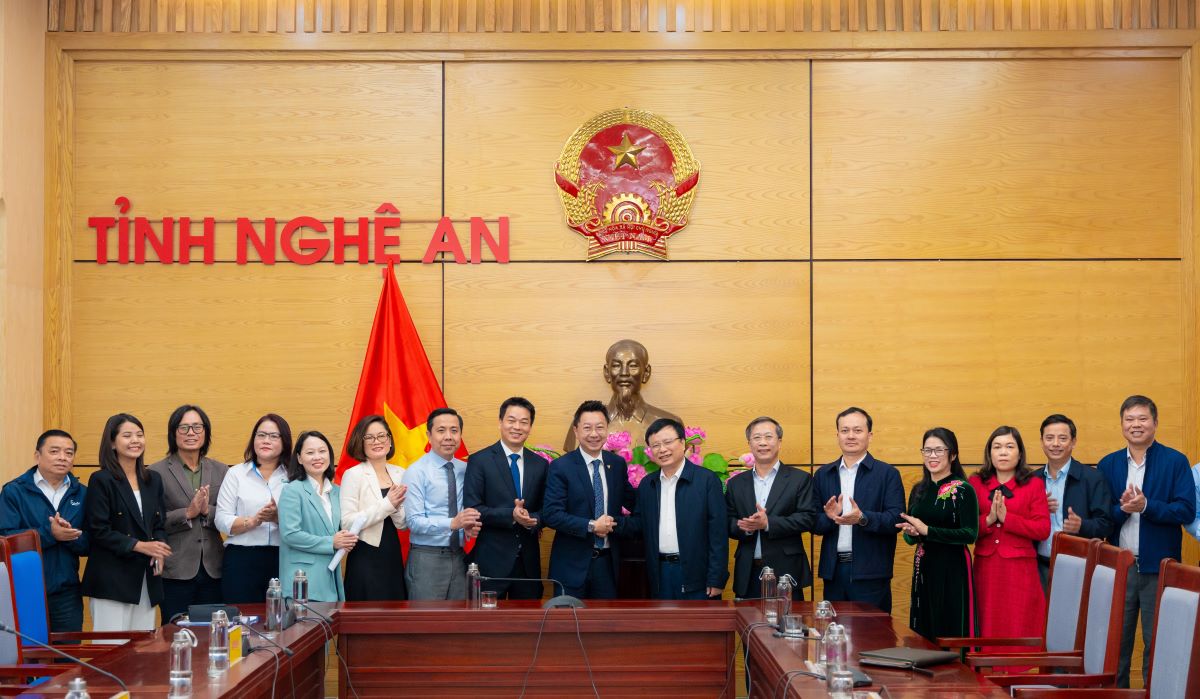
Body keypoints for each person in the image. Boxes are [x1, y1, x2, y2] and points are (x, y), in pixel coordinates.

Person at [1097, 395, 1195, 688]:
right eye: (1129, 419)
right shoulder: (1108, 464)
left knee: (1158, 643)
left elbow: (1186, 510)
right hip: (1120, 569)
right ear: (1122, 424)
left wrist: (1147, 506)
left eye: (1142, 418)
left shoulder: (1175, 461)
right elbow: (1103, 516)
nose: (1136, 425)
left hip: (1160, 569)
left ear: (1155, 422)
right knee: (1116, 644)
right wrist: (1124, 509)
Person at [81, 414, 171, 632]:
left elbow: (159, 524)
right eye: (127, 435)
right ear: (112, 443)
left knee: (142, 647)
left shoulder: (153, 479)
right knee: (112, 647)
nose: (135, 440)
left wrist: (159, 550)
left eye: (139, 435)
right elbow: (98, 530)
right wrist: (140, 546)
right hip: (112, 579)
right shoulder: (101, 479)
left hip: (146, 579)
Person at [811, 408, 904, 613]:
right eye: (845, 430)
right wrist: (830, 517)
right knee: (834, 630)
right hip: (834, 573)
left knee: (873, 632)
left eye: (857, 430)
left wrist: (862, 518)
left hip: (871, 574)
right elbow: (814, 522)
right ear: (837, 435)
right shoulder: (823, 474)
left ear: (869, 435)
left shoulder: (887, 474)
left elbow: (896, 520)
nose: (851, 436)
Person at [969, 426, 1050, 659]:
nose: (1003, 452)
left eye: (1009, 446)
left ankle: (1013, 677)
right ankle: (985, 678)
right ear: (989, 453)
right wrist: (989, 520)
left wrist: (1008, 519)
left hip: (1020, 572)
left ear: (1019, 452)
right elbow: (966, 529)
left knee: (1017, 629)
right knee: (985, 627)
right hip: (986, 569)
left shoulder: (1033, 484)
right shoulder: (975, 483)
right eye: (997, 447)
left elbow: (1042, 529)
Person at [544, 400, 637, 600]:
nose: (594, 434)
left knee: (606, 619)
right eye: (587, 428)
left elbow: (633, 501)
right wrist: (592, 525)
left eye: (600, 427)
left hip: (607, 565)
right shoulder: (561, 466)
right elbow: (552, 514)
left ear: (607, 429)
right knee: (568, 618)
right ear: (576, 431)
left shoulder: (617, 464)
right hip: (571, 566)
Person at [0, 429, 88, 632]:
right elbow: (4, 540)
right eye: (54, 451)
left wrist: (70, 536)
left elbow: (91, 542)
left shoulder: (82, 493)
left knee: (68, 649)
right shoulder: (15, 491)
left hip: (67, 593)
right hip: (23, 589)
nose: (62, 457)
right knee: (28, 649)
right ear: (37, 455)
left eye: (69, 453)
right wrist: (50, 534)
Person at [897, 427, 978, 643]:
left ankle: (956, 665)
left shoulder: (964, 490)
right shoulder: (919, 490)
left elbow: (970, 534)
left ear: (953, 455)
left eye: (939, 450)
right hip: (923, 565)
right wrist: (912, 534)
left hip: (953, 566)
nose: (932, 456)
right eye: (927, 450)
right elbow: (910, 537)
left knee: (950, 624)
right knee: (924, 623)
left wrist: (927, 530)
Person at [632, 418, 728, 600]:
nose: (662, 449)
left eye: (668, 442)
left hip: (697, 574)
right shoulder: (647, 484)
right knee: (663, 619)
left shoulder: (706, 480)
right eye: (655, 445)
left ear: (683, 443)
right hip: (660, 573)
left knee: (699, 619)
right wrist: (610, 523)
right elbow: (638, 523)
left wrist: (716, 578)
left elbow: (718, 533)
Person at [148, 405, 227, 623]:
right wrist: (187, 513)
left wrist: (207, 511)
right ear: (173, 433)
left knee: (212, 632)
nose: (191, 433)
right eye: (184, 428)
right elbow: (152, 521)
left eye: (197, 427)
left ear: (206, 432)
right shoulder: (155, 472)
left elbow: (230, 515)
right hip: (175, 569)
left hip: (213, 568)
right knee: (175, 632)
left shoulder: (222, 470)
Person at [726, 416, 818, 602]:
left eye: (768, 437)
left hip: (786, 571)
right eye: (757, 438)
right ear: (750, 444)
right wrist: (745, 527)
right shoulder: (736, 483)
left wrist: (768, 523)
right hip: (748, 571)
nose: (763, 442)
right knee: (747, 620)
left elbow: (808, 518)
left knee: (788, 620)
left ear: (779, 442)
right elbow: (727, 520)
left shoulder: (799, 479)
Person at [464, 397, 548, 600]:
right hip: (491, 563)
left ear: (530, 427)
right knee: (489, 619)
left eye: (524, 422)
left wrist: (533, 519)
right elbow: (473, 508)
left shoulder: (540, 464)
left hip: (528, 565)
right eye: (511, 420)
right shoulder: (479, 461)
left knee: (529, 618)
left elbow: (548, 509)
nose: (517, 427)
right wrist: (511, 515)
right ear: (500, 422)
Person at [402, 408, 481, 600]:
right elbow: (413, 521)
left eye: (454, 430)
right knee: (426, 617)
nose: (448, 437)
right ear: (429, 435)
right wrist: (453, 523)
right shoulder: (416, 471)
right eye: (441, 430)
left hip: (459, 557)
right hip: (426, 558)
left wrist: (468, 526)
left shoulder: (466, 469)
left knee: (459, 616)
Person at [215, 414, 291, 604]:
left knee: (281, 617)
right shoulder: (236, 474)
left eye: (274, 436)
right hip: (242, 559)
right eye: (261, 435)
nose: (266, 440)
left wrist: (277, 518)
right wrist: (254, 521)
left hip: (283, 557)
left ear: (284, 442)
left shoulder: (294, 476)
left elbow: (304, 521)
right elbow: (221, 519)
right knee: (242, 617)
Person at [1035, 414, 1113, 589]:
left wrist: (1081, 526)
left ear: (1073, 442)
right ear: (1042, 442)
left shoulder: (1092, 478)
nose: (1055, 444)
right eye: (1049, 438)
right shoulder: (1032, 480)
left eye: (1063, 438)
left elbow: (1107, 524)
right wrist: (1036, 510)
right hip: (1038, 567)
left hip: (1079, 567)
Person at [278, 431, 357, 602]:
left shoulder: (337, 491)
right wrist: (331, 542)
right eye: (310, 452)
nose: (317, 457)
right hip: (303, 582)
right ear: (299, 458)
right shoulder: (292, 490)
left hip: (330, 581)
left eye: (322, 451)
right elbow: (290, 534)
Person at [563, 340, 682, 451]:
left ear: (646, 373)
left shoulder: (670, 424)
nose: (624, 373)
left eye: (633, 366)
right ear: (607, 372)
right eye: (616, 366)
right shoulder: (581, 425)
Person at [339, 415, 408, 601]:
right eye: (369, 437)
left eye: (381, 436)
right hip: (365, 555)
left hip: (392, 553)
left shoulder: (400, 473)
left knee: (394, 610)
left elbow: (403, 524)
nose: (377, 441)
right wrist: (387, 504)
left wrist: (395, 507)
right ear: (360, 443)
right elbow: (347, 522)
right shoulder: (353, 474)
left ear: (390, 440)